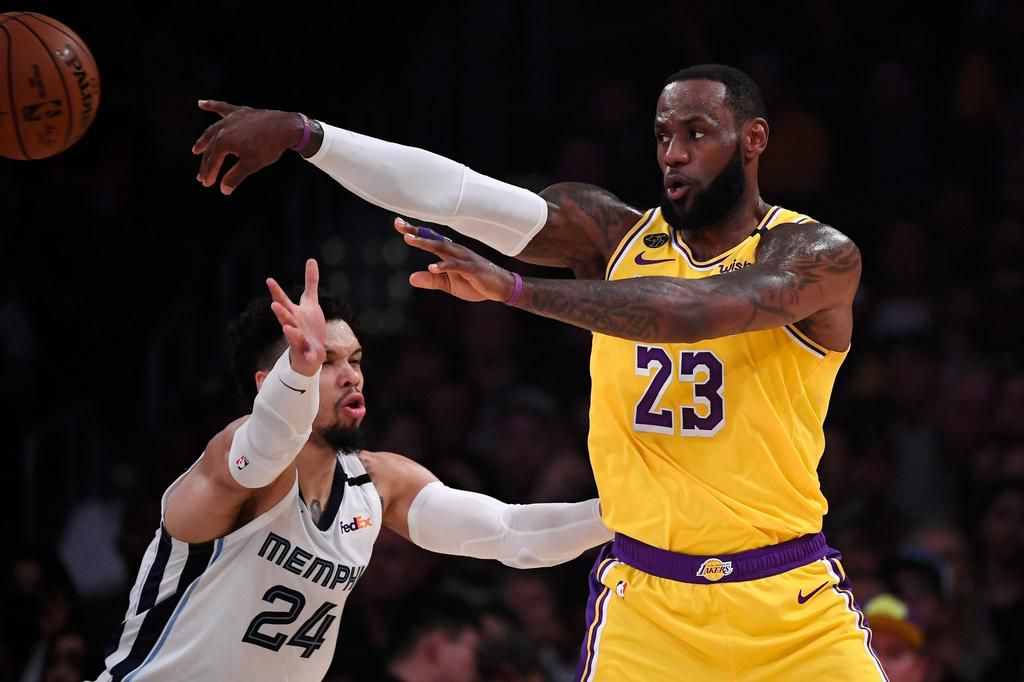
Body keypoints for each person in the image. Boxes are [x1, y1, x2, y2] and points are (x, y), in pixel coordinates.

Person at [193, 63, 877, 679]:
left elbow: (695, 311)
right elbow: (457, 194)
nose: (674, 154)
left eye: (697, 133)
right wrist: (307, 135)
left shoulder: (815, 253)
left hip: (789, 601)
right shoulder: (612, 237)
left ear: (754, 139)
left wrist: (516, 291)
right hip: (649, 609)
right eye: (664, 136)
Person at [93, 260, 610, 681]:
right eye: (325, 363)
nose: (349, 375)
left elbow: (509, 532)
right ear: (268, 381)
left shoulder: (379, 483)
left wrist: (623, 515)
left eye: (355, 360)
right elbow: (270, 440)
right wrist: (298, 370)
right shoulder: (236, 462)